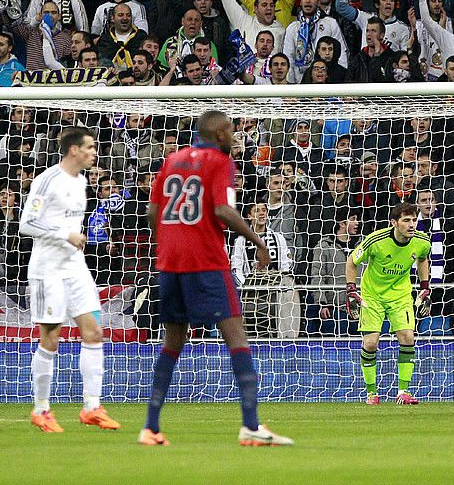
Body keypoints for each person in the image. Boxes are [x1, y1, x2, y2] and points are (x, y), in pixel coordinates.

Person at [140, 110, 293, 446]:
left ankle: (150, 427)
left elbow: (152, 212)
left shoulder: (172, 159)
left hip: (170, 263)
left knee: (172, 344)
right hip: (207, 263)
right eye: (231, 131)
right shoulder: (219, 161)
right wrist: (258, 241)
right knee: (236, 337)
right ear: (221, 134)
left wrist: (170, 240)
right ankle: (251, 427)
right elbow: (223, 210)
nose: (234, 136)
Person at [19, 127, 121, 433]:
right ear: (73, 150)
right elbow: (27, 224)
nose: (94, 152)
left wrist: (76, 237)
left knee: (94, 332)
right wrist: (66, 234)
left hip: (75, 268)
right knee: (51, 338)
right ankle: (41, 409)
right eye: (89, 147)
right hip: (48, 269)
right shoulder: (47, 180)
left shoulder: (82, 182)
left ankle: (92, 407)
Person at [345, 201, 432, 405]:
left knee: (407, 337)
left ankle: (403, 392)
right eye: (406, 220)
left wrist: (425, 285)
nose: (412, 225)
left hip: (400, 295)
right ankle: (371, 393)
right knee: (371, 343)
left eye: (414, 220)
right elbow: (351, 262)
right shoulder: (375, 240)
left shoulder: (422, 241)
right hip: (372, 295)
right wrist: (351, 290)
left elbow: (422, 258)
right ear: (394, 222)